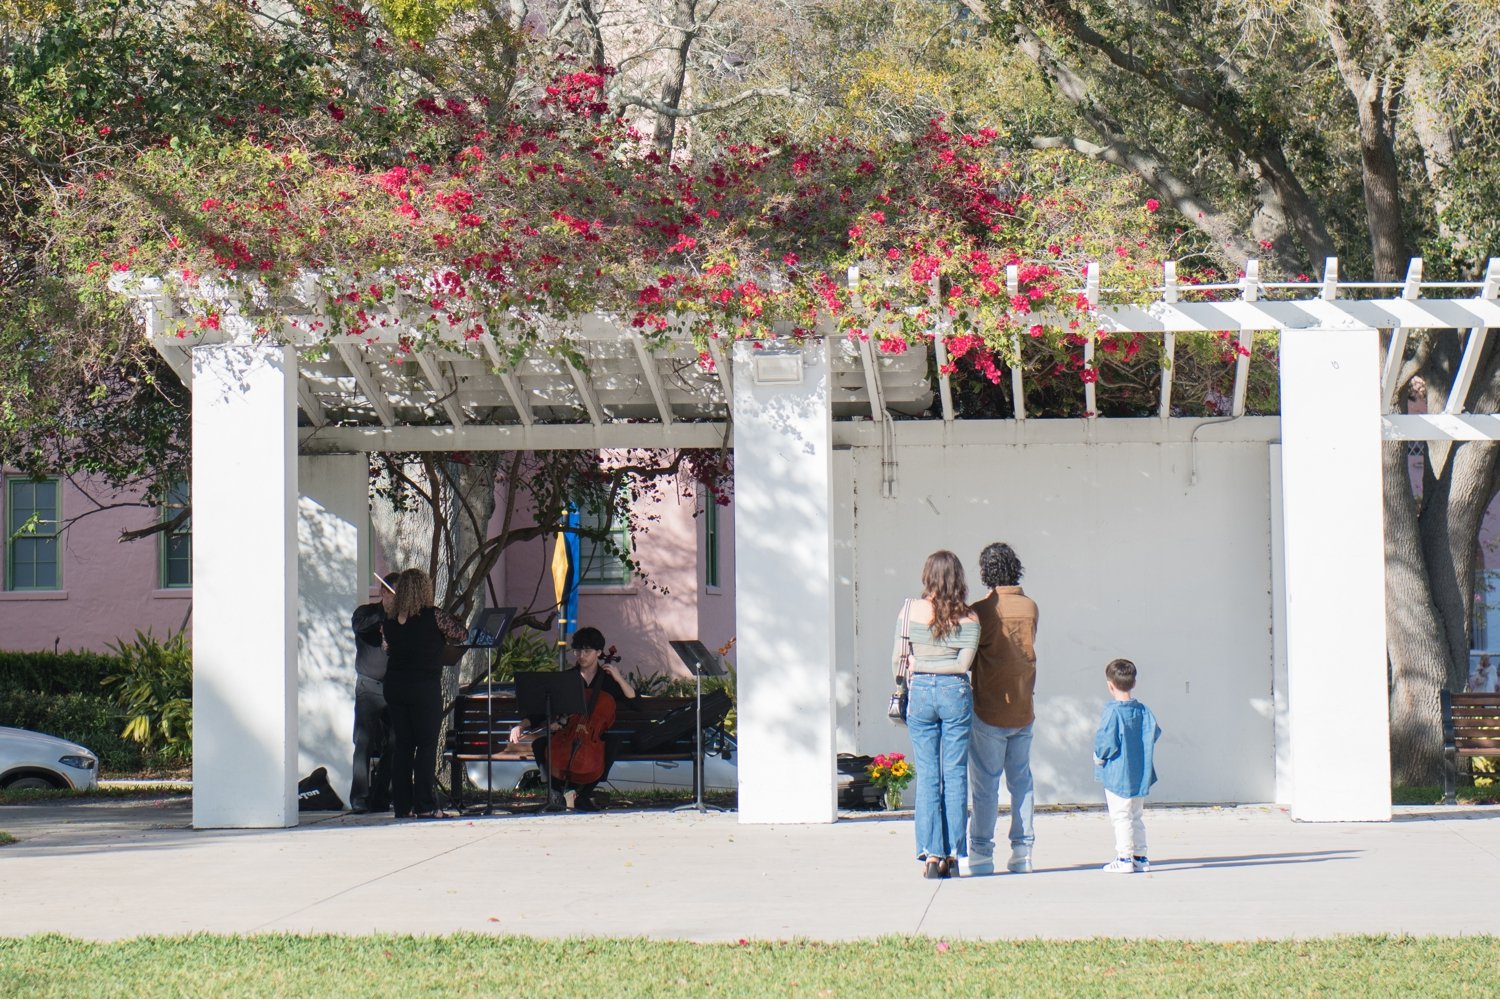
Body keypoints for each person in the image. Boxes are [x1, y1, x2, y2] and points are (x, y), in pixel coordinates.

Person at [896, 550, 980, 879]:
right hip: (955, 693)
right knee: (956, 773)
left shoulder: (909, 611)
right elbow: (963, 665)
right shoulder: (971, 618)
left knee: (929, 774)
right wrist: (939, 666)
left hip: (920, 695)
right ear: (958, 578)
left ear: (927, 575)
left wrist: (920, 667)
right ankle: (953, 854)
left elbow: (899, 660)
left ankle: (931, 856)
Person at [965, 542, 1040, 876]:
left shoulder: (980, 611)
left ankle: (981, 853)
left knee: (985, 785)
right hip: (1023, 705)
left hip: (989, 707)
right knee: (1021, 781)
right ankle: (1022, 851)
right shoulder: (1031, 607)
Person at [509, 626, 637, 812]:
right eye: (578, 650)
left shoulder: (608, 681)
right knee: (540, 745)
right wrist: (521, 725)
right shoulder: (567, 678)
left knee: (614, 742)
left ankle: (584, 795)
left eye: (587, 651)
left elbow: (635, 702)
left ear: (599, 652)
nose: (581, 655)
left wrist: (618, 678)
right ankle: (555, 793)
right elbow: (543, 709)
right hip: (566, 733)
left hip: (593, 738)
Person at [380, 568, 467, 819]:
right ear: (424, 591)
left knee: (403, 746)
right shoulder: (434, 616)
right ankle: (425, 804)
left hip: (395, 687)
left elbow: (388, 649)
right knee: (426, 746)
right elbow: (462, 634)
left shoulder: (390, 621)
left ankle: (402, 805)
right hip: (424, 687)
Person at [1094, 658, 1163, 873]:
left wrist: (1098, 757)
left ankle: (1124, 858)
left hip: (1117, 774)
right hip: (1139, 772)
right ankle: (1140, 857)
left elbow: (1106, 741)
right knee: (1136, 815)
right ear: (1134, 683)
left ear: (1110, 684)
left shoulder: (1113, 711)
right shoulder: (1143, 710)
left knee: (1121, 816)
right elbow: (1155, 732)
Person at [349, 573, 398, 814]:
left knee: (395, 742)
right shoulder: (366, 612)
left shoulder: (403, 619)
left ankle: (380, 796)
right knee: (364, 741)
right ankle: (359, 797)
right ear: (384, 592)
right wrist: (383, 613)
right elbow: (360, 626)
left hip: (395, 687)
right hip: (369, 686)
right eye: (392, 594)